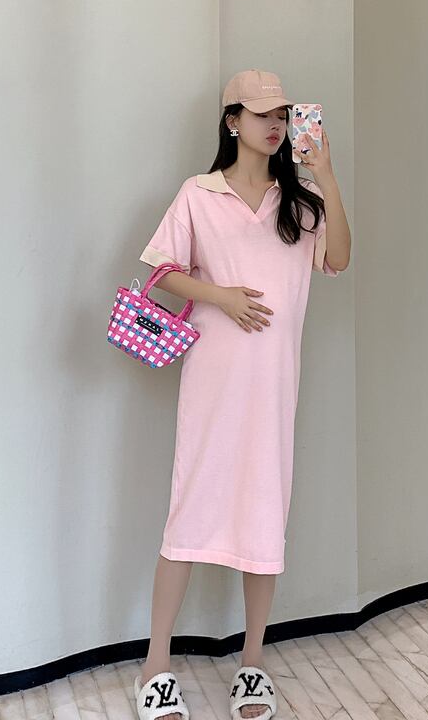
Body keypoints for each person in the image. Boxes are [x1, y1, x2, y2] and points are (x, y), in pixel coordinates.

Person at [133, 69, 350, 720]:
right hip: (212, 384)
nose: (274, 124)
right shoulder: (198, 194)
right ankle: (156, 665)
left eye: (281, 114)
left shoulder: (301, 203)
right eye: (260, 114)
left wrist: (327, 175)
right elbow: (161, 272)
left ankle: (253, 662)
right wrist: (221, 296)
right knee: (188, 514)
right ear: (232, 121)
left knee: (264, 516)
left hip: (274, 388)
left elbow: (339, 259)